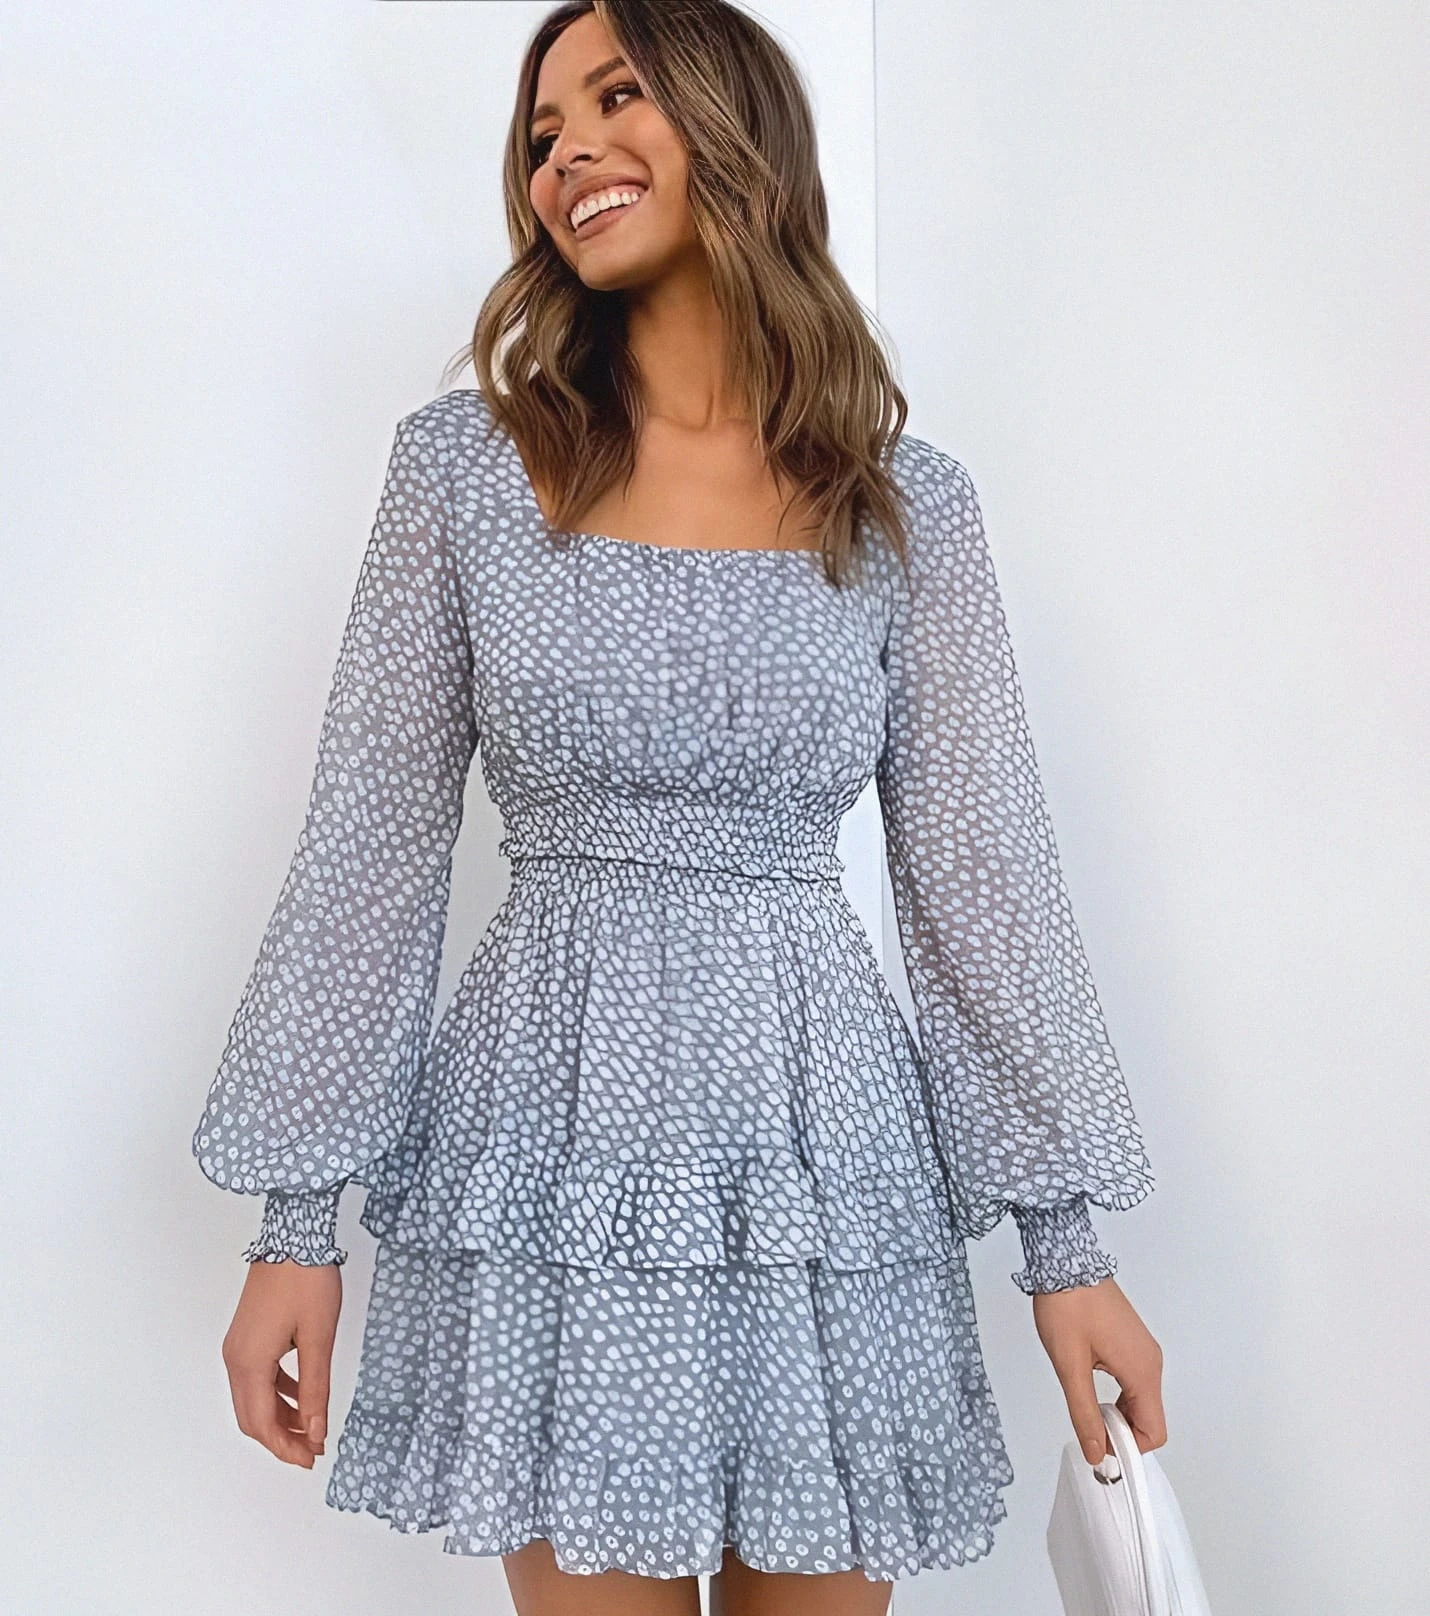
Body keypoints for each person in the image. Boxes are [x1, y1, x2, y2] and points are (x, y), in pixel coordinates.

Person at [195, 3, 1166, 1613]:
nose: (566, 150)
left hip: (820, 1175)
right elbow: (370, 844)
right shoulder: (465, 473)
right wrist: (295, 1222)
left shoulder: (900, 503)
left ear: (732, 122)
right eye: (540, 132)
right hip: (554, 1159)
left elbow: (981, 876)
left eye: (613, 96)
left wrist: (1067, 1254)